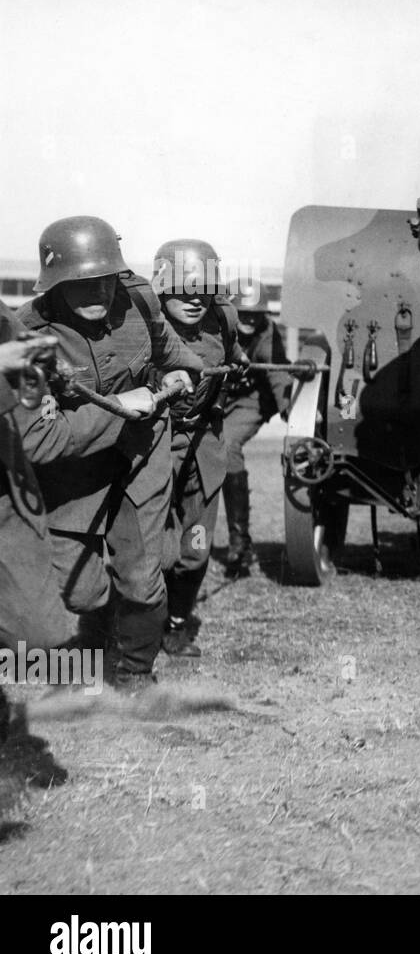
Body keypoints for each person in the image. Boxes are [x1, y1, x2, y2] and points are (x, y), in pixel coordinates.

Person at [18, 216, 202, 688]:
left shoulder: (138, 300)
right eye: (80, 285)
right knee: (80, 593)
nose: (97, 294)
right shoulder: (27, 339)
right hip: (71, 468)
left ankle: (136, 671)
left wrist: (184, 374)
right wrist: (121, 406)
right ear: (53, 285)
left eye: (103, 281)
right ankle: (99, 633)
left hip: (141, 451)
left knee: (141, 576)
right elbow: (41, 439)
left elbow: (173, 353)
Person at [155, 240, 246, 656]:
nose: (194, 297)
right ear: (161, 286)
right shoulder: (143, 325)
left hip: (204, 444)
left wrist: (238, 357)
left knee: (195, 549)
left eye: (204, 287)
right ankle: (141, 624)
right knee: (157, 550)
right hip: (153, 446)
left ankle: (177, 622)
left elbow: (232, 349)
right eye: (182, 286)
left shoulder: (222, 317)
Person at [220, 277, 290, 576]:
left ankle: (240, 543)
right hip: (217, 399)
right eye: (242, 313)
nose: (249, 319)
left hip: (252, 399)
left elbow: (278, 376)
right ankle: (190, 544)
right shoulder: (214, 329)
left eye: (255, 313)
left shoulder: (268, 335)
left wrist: (291, 412)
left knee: (227, 445)